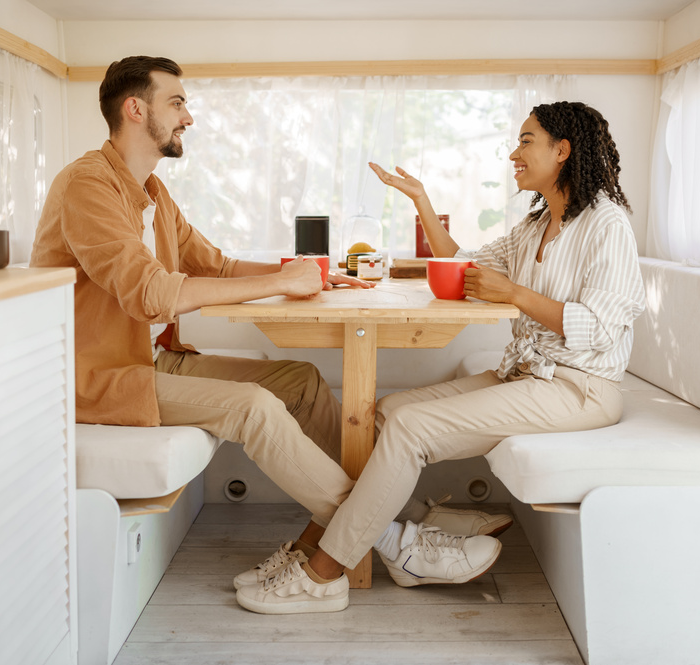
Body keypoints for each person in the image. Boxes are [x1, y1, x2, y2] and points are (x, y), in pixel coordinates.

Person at [30, 56, 508, 603]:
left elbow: (218, 266)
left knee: (301, 382)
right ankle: (398, 542)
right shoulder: (87, 186)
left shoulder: (154, 195)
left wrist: (318, 278)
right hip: (100, 377)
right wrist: (283, 280)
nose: (189, 117)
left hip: (153, 358)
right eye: (178, 102)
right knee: (252, 405)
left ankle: (411, 513)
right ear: (135, 109)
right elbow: (151, 293)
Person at [234, 101, 646, 615]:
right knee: (385, 414)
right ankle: (374, 541)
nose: (513, 153)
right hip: (524, 375)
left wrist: (515, 294)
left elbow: (602, 327)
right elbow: (461, 262)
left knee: (410, 430)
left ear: (562, 150)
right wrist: (421, 200)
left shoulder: (608, 225)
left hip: (578, 388)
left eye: (526, 141)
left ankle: (322, 572)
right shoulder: (535, 225)